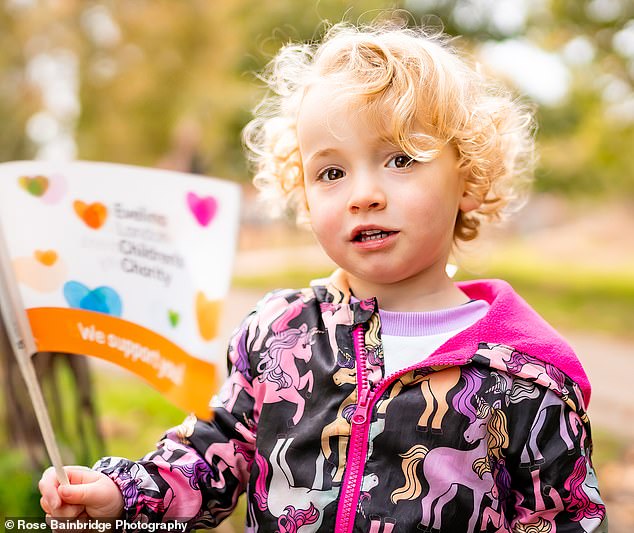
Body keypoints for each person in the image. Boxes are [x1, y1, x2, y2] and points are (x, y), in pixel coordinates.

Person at [39, 19, 608, 532]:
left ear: (469, 177)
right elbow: (214, 456)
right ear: (304, 193)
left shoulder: (529, 376)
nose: (363, 195)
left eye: (401, 159)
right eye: (332, 171)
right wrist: (123, 495)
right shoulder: (281, 334)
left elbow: (564, 518)